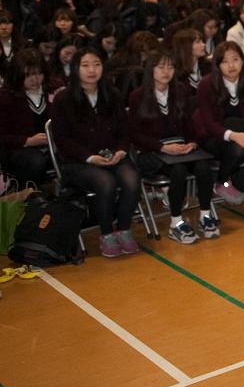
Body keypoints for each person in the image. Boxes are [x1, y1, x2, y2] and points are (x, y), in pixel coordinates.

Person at [49, 46, 142, 258]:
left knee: (132, 178)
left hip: (112, 155)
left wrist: (120, 150)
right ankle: (107, 234)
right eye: (85, 65)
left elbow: (125, 131)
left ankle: (124, 229)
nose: (92, 70)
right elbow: (62, 140)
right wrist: (90, 157)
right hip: (79, 161)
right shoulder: (63, 99)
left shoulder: (113, 94)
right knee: (105, 182)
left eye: (97, 64)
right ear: (75, 69)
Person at [129, 49, 218, 243]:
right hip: (153, 151)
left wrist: (191, 143)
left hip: (180, 147)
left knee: (203, 167)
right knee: (178, 170)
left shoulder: (181, 90)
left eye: (170, 67)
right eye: (161, 67)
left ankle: (205, 216)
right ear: (150, 70)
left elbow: (189, 123)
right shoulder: (138, 96)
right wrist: (161, 147)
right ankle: (175, 222)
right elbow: (135, 134)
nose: (166, 71)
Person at [193, 41, 244, 223]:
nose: (231, 66)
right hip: (213, 136)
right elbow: (209, 123)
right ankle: (222, 182)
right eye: (225, 61)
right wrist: (235, 135)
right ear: (217, 65)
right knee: (240, 145)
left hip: (243, 135)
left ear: (242, 61)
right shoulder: (206, 85)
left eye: (236, 60)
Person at [0, 49, 54, 191]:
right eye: (28, 75)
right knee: (36, 161)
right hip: (20, 148)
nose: (35, 80)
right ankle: (28, 195)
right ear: (17, 75)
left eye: (39, 74)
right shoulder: (6, 97)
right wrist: (28, 141)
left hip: (53, 145)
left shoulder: (53, 90)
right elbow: (3, 136)